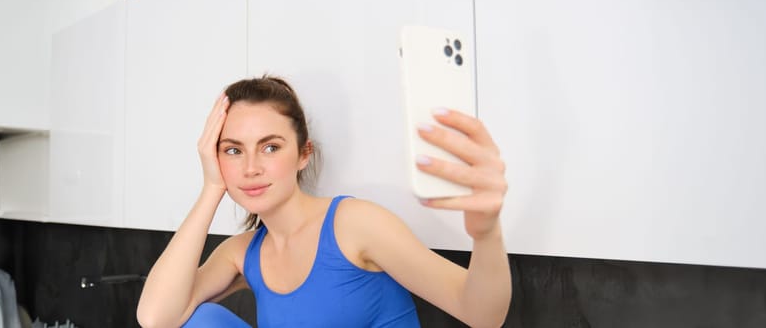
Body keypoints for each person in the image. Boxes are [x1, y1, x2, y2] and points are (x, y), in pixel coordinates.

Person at [137, 76, 511, 328]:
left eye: (270, 147)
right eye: (233, 150)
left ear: (303, 154)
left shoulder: (354, 226)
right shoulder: (243, 253)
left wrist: (487, 232)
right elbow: (156, 317)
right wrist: (211, 189)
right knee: (202, 320)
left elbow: (481, 313)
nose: (250, 168)